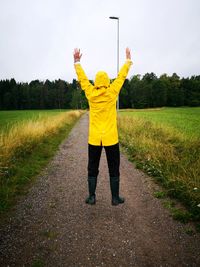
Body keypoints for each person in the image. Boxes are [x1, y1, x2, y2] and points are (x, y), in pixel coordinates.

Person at [73, 47, 132, 205]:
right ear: (107, 81)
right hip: (111, 138)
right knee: (114, 167)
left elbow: (83, 80)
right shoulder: (112, 92)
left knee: (93, 167)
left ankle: (92, 197)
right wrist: (128, 61)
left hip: (94, 139)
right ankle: (115, 198)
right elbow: (121, 77)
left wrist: (77, 62)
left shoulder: (91, 94)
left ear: (96, 82)